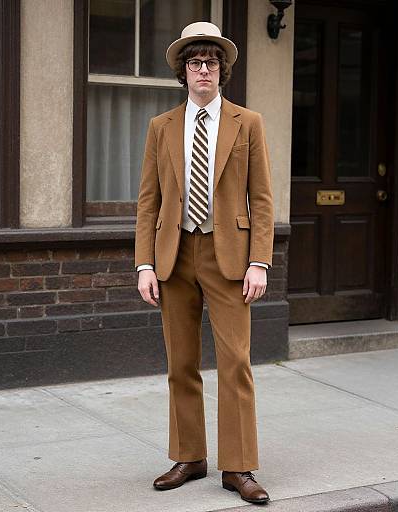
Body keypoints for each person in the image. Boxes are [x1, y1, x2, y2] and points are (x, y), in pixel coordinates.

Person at [135, 21, 274, 505]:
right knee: (182, 363)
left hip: (229, 257)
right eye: (195, 63)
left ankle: (238, 467)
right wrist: (144, 265)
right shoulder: (161, 127)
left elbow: (262, 198)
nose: (203, 71)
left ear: (222, 71)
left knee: (236, 362)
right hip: (173, 257)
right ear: (182, 72)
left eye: (212, 63)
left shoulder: (247, 122)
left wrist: (260, 261)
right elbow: (148, 203)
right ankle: (189, 456)